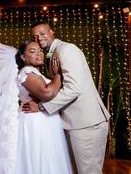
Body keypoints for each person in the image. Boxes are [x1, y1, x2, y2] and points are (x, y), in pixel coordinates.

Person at [23, 22, 111, 174]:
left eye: (43, 34)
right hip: (74, 123)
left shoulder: (67, 50)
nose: (39, 39)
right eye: (35, 37)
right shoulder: (51, 55)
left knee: (89, 171)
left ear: (52, 32)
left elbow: (73, 88)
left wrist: (41, 106)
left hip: (86, 123)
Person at [15, 40, 72, 174]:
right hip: (35, 122)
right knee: (40, 159)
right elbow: (47, 93)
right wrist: (58, 75)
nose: (39, 54)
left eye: (40, 51)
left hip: (44, 120)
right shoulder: (27, 72)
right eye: (32, 51)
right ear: (23, 57)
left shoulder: (35, 72)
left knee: (48, 159)